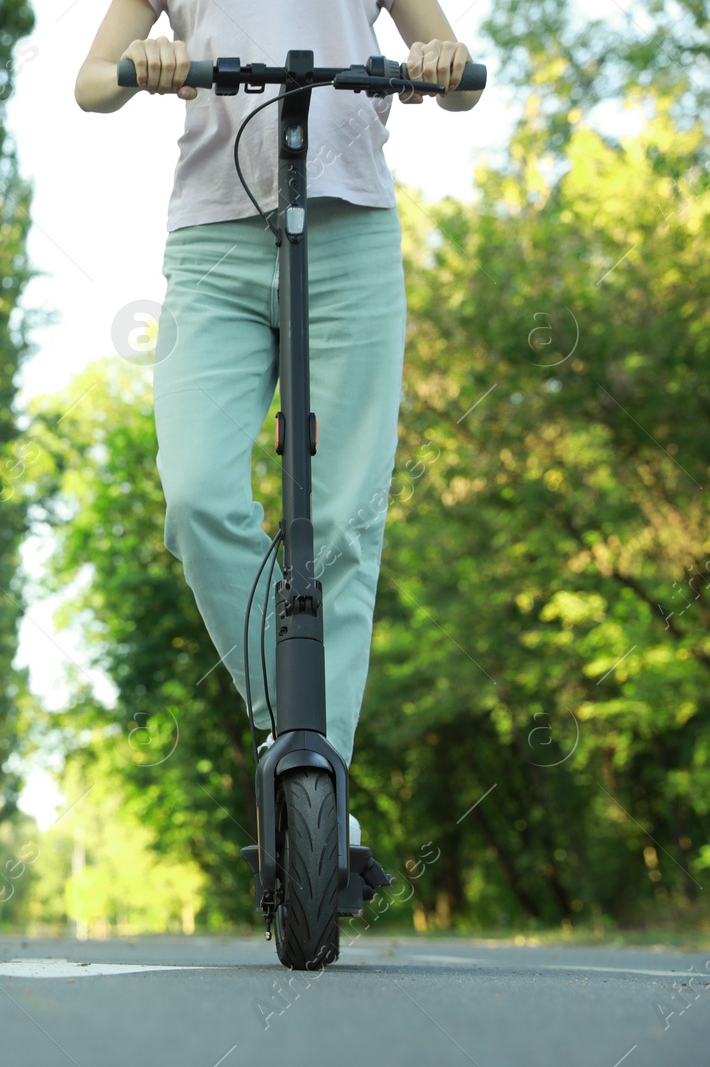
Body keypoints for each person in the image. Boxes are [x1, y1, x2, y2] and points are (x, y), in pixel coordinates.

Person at [75, 0, 482, 846]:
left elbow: (448, 62)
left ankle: (319, 787)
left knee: (342, 522)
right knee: (195, 495)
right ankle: (295, 728)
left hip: (351, 234)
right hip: (213, 243)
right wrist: (145, 61)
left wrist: (441, 63)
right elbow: (89, 84)